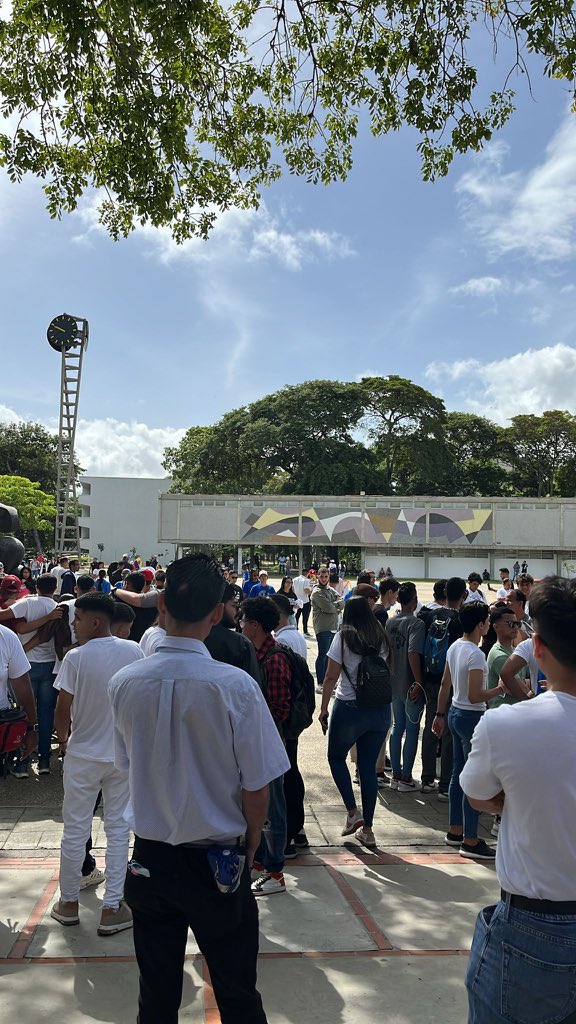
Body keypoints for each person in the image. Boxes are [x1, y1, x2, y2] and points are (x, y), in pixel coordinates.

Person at [109, 555, 288, 1023]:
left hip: (150, 858)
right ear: (217, 614)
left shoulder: (124, 683)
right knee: (236, 994)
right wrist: (252, 841)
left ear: (161, 605)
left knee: (157, 997)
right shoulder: (235, 687)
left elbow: (127, 767)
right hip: (219, 861)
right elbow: (257, 785)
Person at [462, 576, 576, 1024]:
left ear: (539, 647)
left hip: (533, 929)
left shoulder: (506, 727)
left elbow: (477, 796)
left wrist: (523, 800)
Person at [50, 593, 144, 934]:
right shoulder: (133, 650)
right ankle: (112, 907)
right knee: (118, 829)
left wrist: (63, 740)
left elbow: (63, 708)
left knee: (75, 829)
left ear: (94, 621)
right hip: (121, 754)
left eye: (77, 618)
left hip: (82, 755)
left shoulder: (76, 657)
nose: (74, 624)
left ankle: (69, 902)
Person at [318, 596, 392, 848]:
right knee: (368, 767)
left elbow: (330, 676)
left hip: (350, 706)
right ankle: (368, 830)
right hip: (380, 709)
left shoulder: (343, 636)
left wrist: (323, 708)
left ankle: (352, 812)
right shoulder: (381, 635)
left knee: (336, 757)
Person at [432, 602, 503, 860]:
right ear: (480, 625)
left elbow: (445, 683)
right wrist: (499, 690)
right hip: (471, 717)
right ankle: (470, 839)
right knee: (473, 778)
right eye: (486, 620)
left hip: (454, 713)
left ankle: (455, 829)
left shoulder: (455, 647)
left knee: (457, 774)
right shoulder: (475, 653)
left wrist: (439, 714)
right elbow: (475, 696)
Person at [240, 597, 292, 895]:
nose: (241, 624)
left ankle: (275, 871)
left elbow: (279, 707)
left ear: (255, 625)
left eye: (245, 620)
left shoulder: (273, 658)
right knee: (260, 806)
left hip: (269, 742)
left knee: (274, 808)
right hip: (257, 741)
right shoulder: (256, 654)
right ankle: (260, 863)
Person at [2, 575, 63, 777]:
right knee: (46, 713)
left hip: (26, 664)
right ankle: (44, 760)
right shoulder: (58, 607)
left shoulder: (27, 603)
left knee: (26, 712)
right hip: (51, 665)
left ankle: (23, 762)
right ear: (55, 588)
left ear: (36, 586)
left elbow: (7, 619)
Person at [418, 576, 466, 796]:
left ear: (445, 592)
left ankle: (427, 778)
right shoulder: (460, 621)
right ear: (463, 595)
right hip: (451, 681)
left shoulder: (433, 616)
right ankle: (445, 783)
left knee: (430, 726)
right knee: (447, 732)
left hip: (430, 678)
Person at [386, 582, 426, 792]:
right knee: (411, 730)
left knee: (396, 727)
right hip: (410, 684)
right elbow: (413, 652)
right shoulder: (416, 624)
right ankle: (406, 776)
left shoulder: (391, 622)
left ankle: (395, 774)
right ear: (414, 600)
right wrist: (419, 681)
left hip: (393, 682)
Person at [310, 566, 344, 694]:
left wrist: (333, 606)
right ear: (317, 576)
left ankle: (327, 681)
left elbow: (342, 602)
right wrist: (335, 606)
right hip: (323, 627)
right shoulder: (317, 592)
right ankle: (320, 683)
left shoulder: (330, 590)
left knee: (331, 656)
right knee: (323, 654)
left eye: (326, 576)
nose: (324, 579)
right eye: (322, 576)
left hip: (334, 626)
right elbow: (329, 608)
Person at [292, 568, 312, 634]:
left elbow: (292, 589)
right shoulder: (306, 580)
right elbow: (306, 590)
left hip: (297, 600)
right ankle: (305, 631)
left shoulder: (294, 579)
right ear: (307, 573)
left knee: (296, 616)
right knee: (305, 617)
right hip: (305, 601)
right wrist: (311, 591)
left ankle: (296, 629)